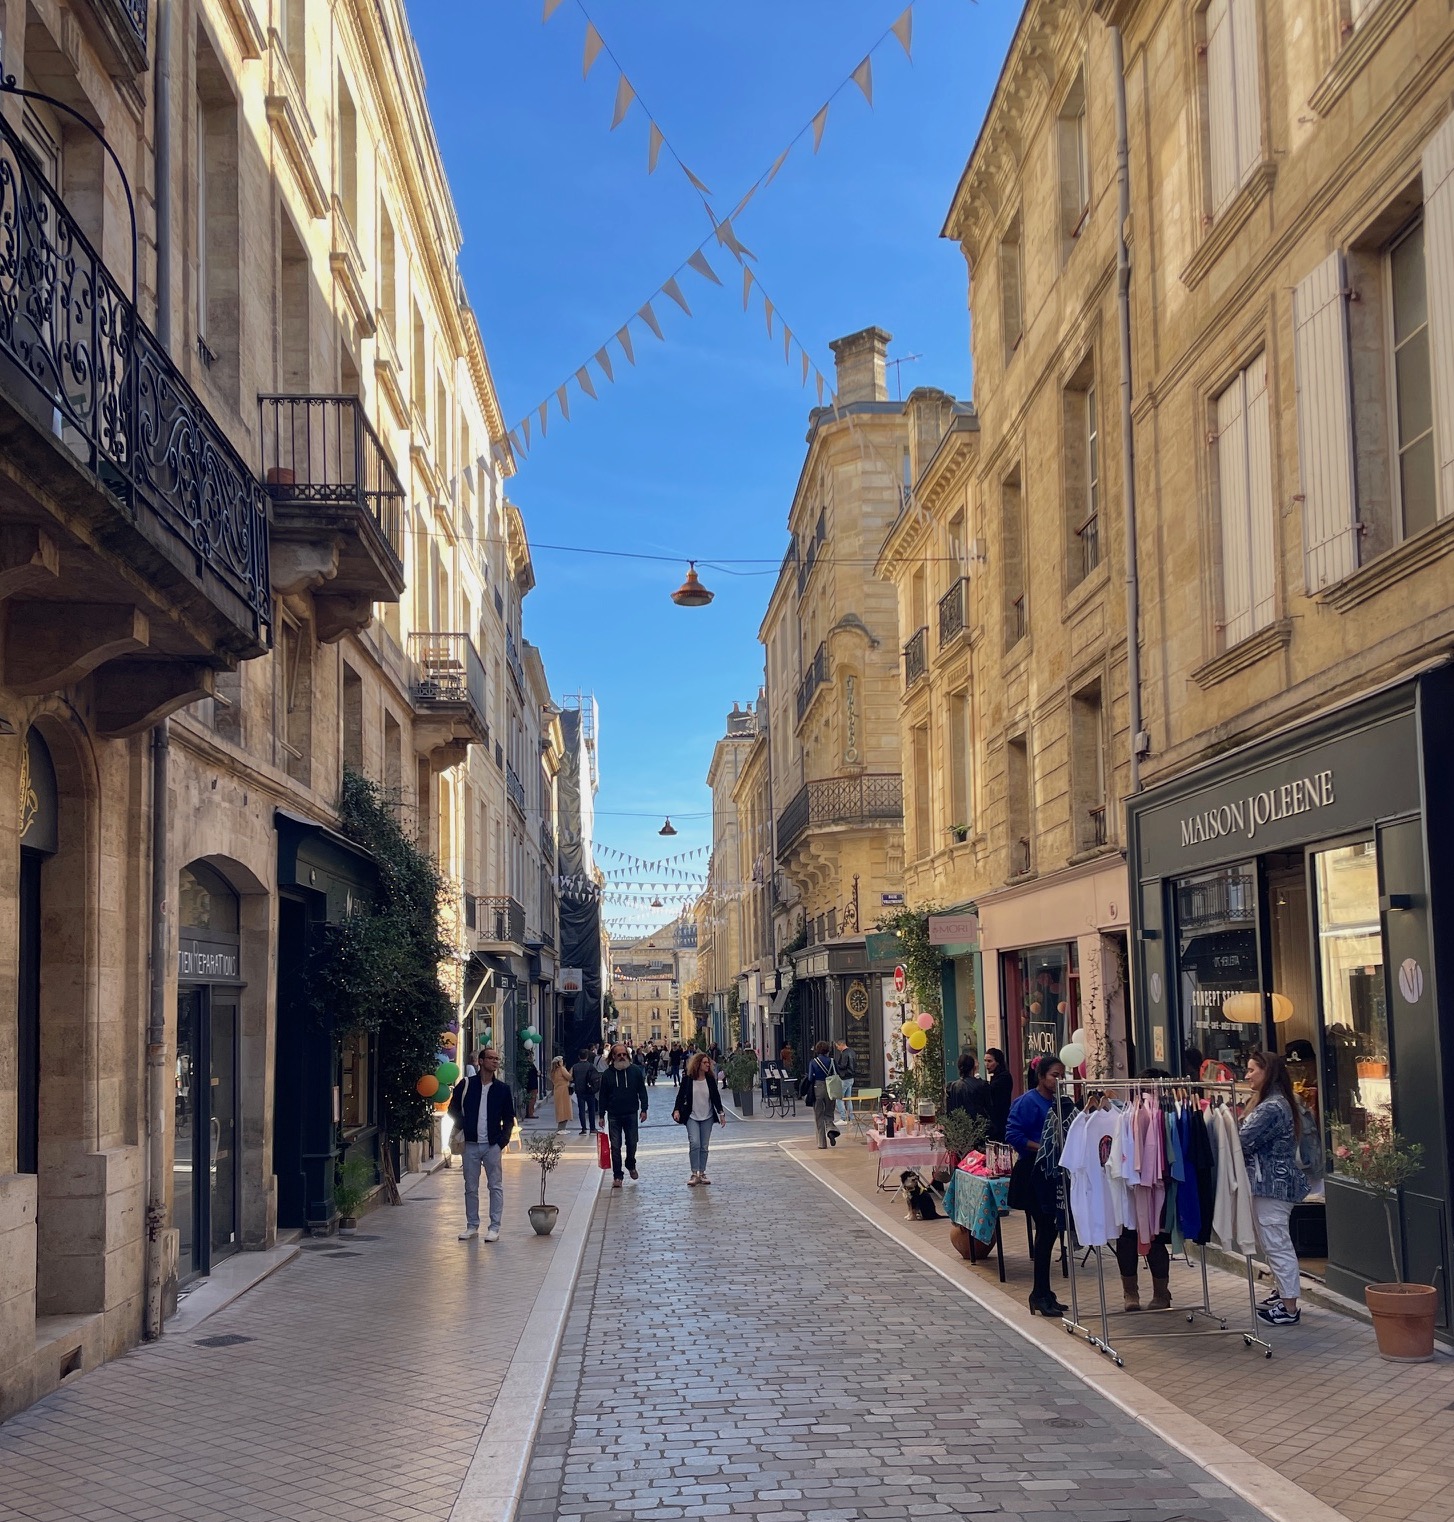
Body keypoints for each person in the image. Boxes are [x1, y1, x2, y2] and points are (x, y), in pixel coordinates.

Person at [1241, 1050, 1309, 1327]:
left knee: (1277, 1244)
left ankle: (1290, 1307)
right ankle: (1283, 1295)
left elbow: (1241, 1140)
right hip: (1275, 1183)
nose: (1247, 1076)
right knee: (1274, 1243)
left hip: (1271, 1185)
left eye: (1251, 1070)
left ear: (1266, 1072)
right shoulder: (1279, 1102)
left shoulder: (1271, 1107)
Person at [1006, 1055, 1068, 1318]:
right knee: (1044, 1232)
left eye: (1062, 1075)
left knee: (1051, 1232)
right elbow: (1012, 1135)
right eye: (1055, 1074)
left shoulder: (1062, 1103)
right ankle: (1038, 1294)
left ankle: (1044, 1291)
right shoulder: (1026, 1102)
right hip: (1033, 1174)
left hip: (1054, 1174)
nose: (1059, 1080)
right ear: (1041, 1076)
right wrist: (1041, 1147)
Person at [1115, 1067, 1174, 1312]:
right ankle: (1130, 1292)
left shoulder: (1167, 1116)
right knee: (1128, 1236)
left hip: (1159, 1184)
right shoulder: (1126, 1116)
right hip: (1131, 1184)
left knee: (1157, 1237)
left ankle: (1162, 1292)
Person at [447, 1047, 516, 1242]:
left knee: (495, 1186)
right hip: (470, 1144)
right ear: (481, 1061)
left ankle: (494, 1227)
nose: (495, 1062)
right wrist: (465, 1125)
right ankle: (472, 1225)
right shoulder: (466, 1084)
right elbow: (452, 1109)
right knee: (470, 1186)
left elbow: (509, 1117)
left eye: (497, 1059)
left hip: (492, 1144)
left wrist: (502, 1141)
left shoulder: (502, 1089)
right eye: (491, 1058)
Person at [599, 1041, 649, 1187]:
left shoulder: (635, 1071)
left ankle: (630, 1164)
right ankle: (617, 1176)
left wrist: (644, 1109)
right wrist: (601, 1115)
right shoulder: (608, 1075)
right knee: (615, 1146)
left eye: (624, 1054)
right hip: (614, 1114)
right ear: (613, 1057)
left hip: (631, 1113)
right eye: (618, 1055)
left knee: (632, 1142)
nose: (621, 1057)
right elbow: (603, 1096)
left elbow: (642, 1091)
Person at [672, 1051, 725, 1185]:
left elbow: (716, 1098)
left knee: (704, 1146)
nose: (708, 1065)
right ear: (698, 1064)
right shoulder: (688, 1079)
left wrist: (721, 1113)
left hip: (707, 1116)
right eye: (705, 1063)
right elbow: (680, 1096)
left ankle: (702, 1172)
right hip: (692, 1116)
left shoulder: (710, 1080)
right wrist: (677, 1110)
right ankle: (694, 1173)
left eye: (708, 1063)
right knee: (695, 1143)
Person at [945, 1051, 994, 1129]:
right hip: (978, 1129)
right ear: (973, 1067)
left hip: (959, 1129)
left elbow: (949, 1112)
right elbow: (989, 1108)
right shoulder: (982, 1085)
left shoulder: (951, 1087)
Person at [807, 1041, 838, 1149]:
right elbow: (836, 1074)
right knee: (829, 1113)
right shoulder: (832, 1061)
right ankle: (830, 1130)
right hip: (831, 1089)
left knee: (818, 1115)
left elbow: (810, 1077)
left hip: (818, 1088)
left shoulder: (813, 1062)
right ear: (828, 1050)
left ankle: (821, 1143)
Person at [984, 1047, 1013, 1143]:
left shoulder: (1004, 1077)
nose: (986, 1064)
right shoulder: (996, 1077)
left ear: (997, 1062)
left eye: (989, 1061)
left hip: (1001, 1121)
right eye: (985, 1061)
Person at [570, 1048, 600, 1134]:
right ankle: (592, 1128)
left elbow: (572, 1078)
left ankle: (583, 1128)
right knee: (591, 1110)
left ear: (579, 1056)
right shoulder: (591, 1066)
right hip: (589, 1090)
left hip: (579, 1091)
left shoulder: (575, 1067)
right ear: (587, 1056)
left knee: (581, 1110)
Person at [832, 1039, 857, 1127]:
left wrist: (835, 1064)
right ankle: (851, 1117)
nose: (837, 1048)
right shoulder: (852, 1052)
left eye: (837, 1046)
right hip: (851, 1077)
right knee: (848, 1098)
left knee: (839, 1098)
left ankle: (843, 1118)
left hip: (845, 1078)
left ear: (841, 1045)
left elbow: (842, 1066)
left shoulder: (844, 1053)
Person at [550, 1055, 572, 1131]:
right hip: (564, 1091)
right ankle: (562, 1128)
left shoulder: (553, 1071)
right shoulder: (562, 1069)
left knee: (560, 1109)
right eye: (562, 1061)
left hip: (557, 1090)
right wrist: (571, 1071)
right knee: (565, 1109)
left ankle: (561, 1128)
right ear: (559, 1062)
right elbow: (569, 1077)